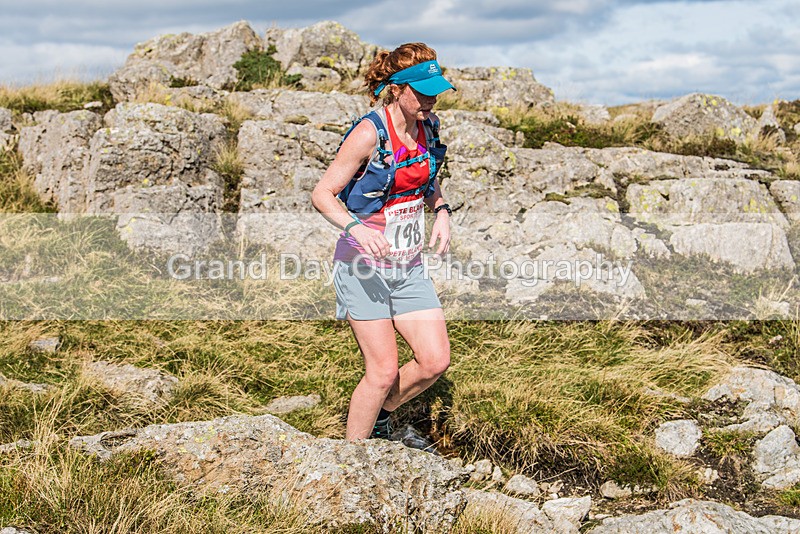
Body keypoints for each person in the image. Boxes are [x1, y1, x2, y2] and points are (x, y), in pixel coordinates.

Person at [311, 42, 455, 441]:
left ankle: (378, 418)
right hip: (362, 266)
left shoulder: (428, 126)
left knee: (433, 360)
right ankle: (351, 461)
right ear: (397, 89)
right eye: (423, 93)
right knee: (382, 371)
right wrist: (356, 228)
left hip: (407, 266)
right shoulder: (368, 133)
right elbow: (322, 194)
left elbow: (427, 179)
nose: (431, 100)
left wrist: (440, 210)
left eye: (436, 91)